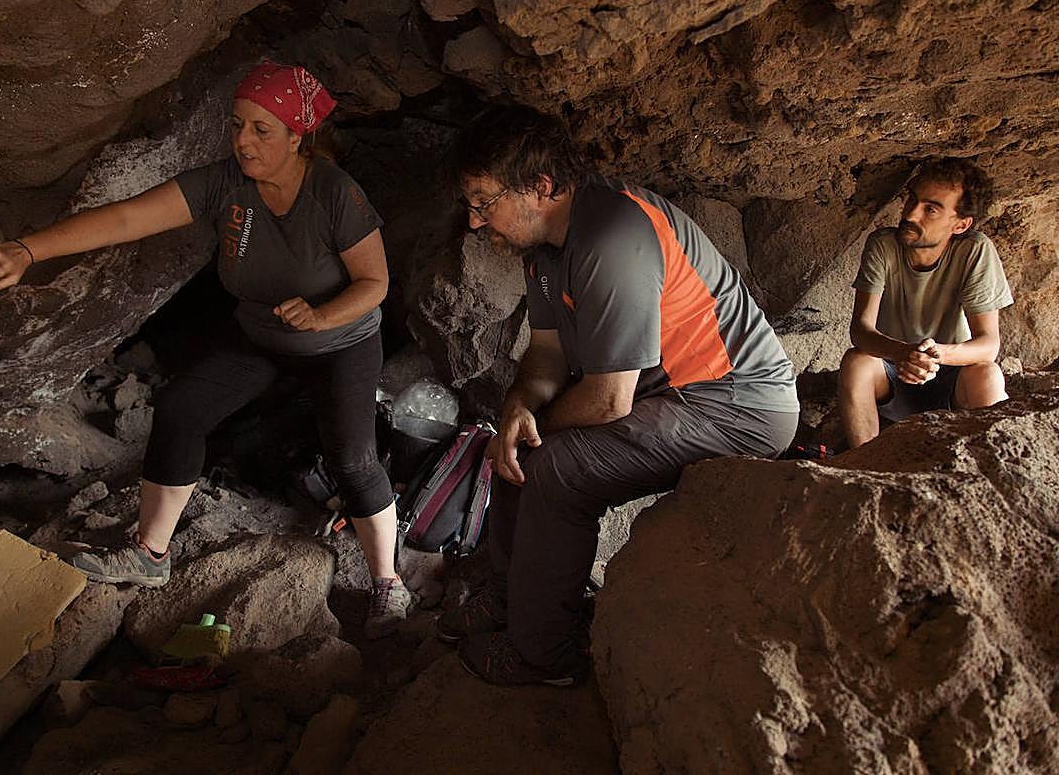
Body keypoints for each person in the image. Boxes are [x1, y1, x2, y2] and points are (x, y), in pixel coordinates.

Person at [0, 61, 411, 638]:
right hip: (259, 335)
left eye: (262, 129)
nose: (243, 141)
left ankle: (388, 583)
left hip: (341, 343)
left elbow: (375, 284)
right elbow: (130, 217)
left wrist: (321, 315)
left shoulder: (335, 193)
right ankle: (151, 555)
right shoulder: (224, 184)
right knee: (181, 408)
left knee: (352, 458)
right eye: (237, 125)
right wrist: (29, 250)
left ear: (297, 136)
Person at [434, 106, 800, 685]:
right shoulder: (546, 248)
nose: (476, 222)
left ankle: (544, 654)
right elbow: (548, 353)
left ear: (541, 186)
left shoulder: (611, 236)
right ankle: (507, 596)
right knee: (512, 447)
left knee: (557, 468)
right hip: (671, 394)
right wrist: (519, 406)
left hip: (738, 402)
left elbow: (608, 400)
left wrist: (532, 427)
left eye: (484, 201)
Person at [838, 158, 1012, 449]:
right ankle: (864, 463)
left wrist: (934, 355)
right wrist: (902, 353)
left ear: (960, 224)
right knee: (856, 363)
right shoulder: (883, 246)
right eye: (912, 200)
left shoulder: (974, 250)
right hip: (893, 372)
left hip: (951, 377)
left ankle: (985, 466)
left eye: (930, 209)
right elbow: (860, 330)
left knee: (987, 373)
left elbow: (988, 345)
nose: (911, 214)